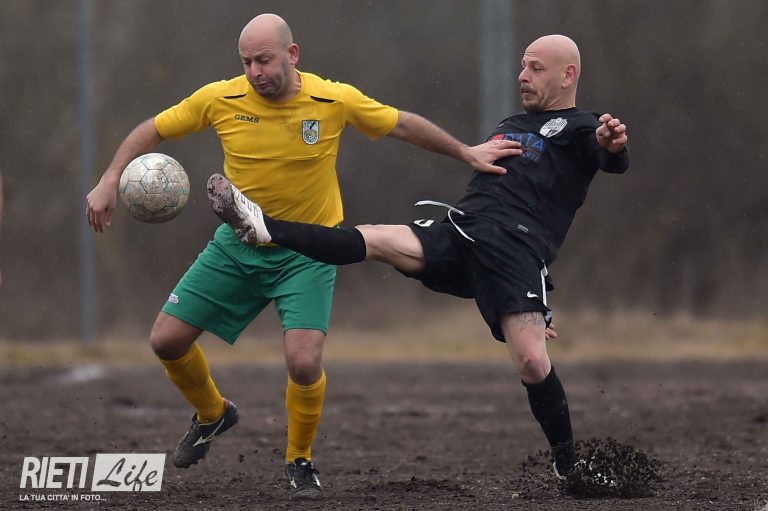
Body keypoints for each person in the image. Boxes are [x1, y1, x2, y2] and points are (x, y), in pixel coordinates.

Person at [85, 13, 520, 501]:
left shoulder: (333, 99)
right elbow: (153, 129)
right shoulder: (219, 99)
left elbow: (400, 124)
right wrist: (110, 178)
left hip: (307, 252)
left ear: (292, 55)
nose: (254, 72)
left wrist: (466, 152)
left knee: (304, 362)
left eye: (264, 60)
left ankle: (299, 460)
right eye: (246, 62)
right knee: (166, 341)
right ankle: (213, 414)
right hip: (238, 246)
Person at [206, 34, 629, 480]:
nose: (523, 76)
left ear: (568, 75)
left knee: (532, 362)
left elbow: (608, 156)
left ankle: (569, 467)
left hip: (513, 253)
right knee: (373, 238)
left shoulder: (581, 127)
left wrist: (611, 145)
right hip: (458, 232)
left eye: (536, 68)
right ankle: (264, 227)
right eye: (523, 66)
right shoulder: (511, 123)